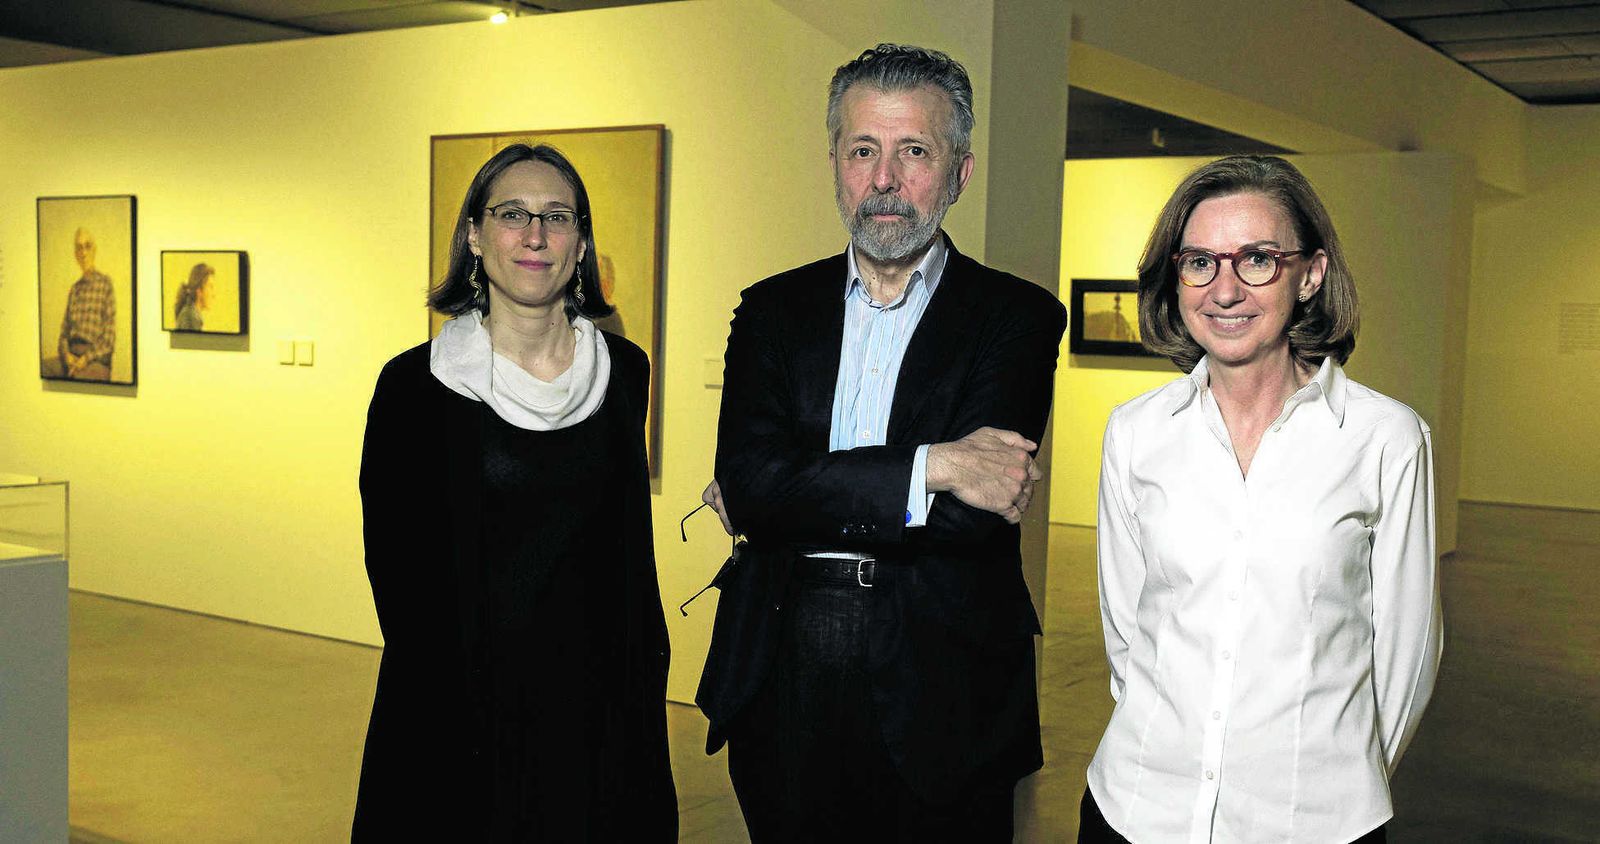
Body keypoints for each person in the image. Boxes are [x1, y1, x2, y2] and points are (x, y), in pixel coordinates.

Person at [697, 44, 1067, 841]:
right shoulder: (769, 311)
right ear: (835, 162)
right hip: (780, 677)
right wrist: (935, 465)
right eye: (863, 150)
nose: (885, 179)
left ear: (959, 173)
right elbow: (753, 484)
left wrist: (798, 489)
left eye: (914, 151)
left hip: (948, 690)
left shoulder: (1018, 318)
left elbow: (975, 516)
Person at [1082, 155, 1442, 843]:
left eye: (1256, 259)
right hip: (1137, 811)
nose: (1224, 290)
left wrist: (1328, 782)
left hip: (1313, 824)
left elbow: (1407, 657)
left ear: (1310, 274)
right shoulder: (1136, 433)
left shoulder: (1386, 439)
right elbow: (1128, 634)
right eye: (1199, 262)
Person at [353, 143, 676, 840]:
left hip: (599, 721)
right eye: (512, 214)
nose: (535, 236)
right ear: (474, 235)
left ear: (581, 242)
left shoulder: (623, 372)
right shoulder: (414, 387)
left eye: (557, 217)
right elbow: (399, 581)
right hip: (463, 721)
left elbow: (624, 556)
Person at [56, 227, 115, 380]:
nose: (83, 253)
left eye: (87, 246)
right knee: (46, 367)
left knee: (78, 380)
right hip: (71, 355)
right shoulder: (74, 289)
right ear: (75, 254)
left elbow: (108, 339)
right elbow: (63, 333)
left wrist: (85, 359)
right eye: (79, 248)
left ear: (94, 250)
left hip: (95, 359)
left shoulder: (105, 284)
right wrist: (66, 355)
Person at [173, 262, 213, 331]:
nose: (213, 294)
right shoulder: (190, 318)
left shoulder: (192, 315)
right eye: (210, 287)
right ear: (199, 290)